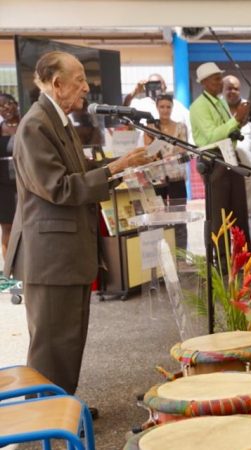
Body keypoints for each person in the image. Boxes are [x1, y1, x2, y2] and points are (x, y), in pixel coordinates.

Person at [4, 51, 150, 397]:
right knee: (51, 344)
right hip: (50, 257)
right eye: (79, 79)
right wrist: (114, 170)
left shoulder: (56, 120)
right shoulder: (36, 125)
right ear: (57, 84)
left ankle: (61, 403)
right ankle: (43, 415)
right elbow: (59, 187)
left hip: (65, 254)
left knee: (68, 339)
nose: (87, 87)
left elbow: (80, 174)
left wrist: (122, 165)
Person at [189, 62, 251, 246]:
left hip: (230, 156)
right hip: (214, 160)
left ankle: (243, 258)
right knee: (219, 214)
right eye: (217, 79)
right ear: (205, 82)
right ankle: (222, 262)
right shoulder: (198, 106)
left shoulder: (221, 102)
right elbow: (210, 137)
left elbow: (228, 132)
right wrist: (236, 119)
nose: (221, 83)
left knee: (239, 211)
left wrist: (240, 121)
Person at [223, 75, 251, 243]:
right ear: (223, 89)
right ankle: (229, 253)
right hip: (225, 170)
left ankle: (250, 249)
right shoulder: (218, 109)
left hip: (249, 170)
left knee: (249, 210)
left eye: (235, 88)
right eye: (229, 88)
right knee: (226, 211)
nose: (232, 92)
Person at [143, 94, 190, 250]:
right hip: (158, 177)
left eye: (168, 106)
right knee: (159, 216)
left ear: (172, 107)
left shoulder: (180, 127)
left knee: (179, 215)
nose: (165, 110)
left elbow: (185, 150)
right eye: (162, 106)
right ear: (157, 108)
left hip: (176, 176)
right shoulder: (150, 128)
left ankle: (181, 252)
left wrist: (176, 153)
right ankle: (161, 252)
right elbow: (147, 152)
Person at [125, 73, 192, 142]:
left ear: (165, 86)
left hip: (175, 150)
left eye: (158, 83)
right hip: (146, 150)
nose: (155, 87)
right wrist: (135, 92)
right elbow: (123, 109)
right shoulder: (139, 104)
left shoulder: (178, 105)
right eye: (151, 84)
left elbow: (190, 128)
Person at [0, 93, 20, 260]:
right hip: (3, 186)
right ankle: (9, 274)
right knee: (7, 227)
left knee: (27, 226)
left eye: (7, 104)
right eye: (1, 107)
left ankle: (26, 268)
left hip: (25, 182)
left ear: (15, 103)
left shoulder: (27, 124)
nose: (5, 108)